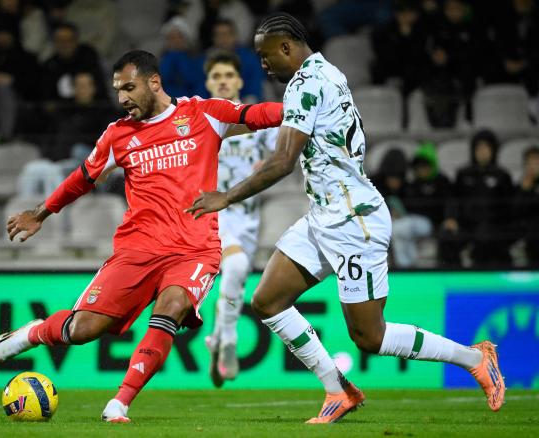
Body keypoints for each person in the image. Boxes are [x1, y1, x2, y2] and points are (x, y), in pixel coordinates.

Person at [187, 13, 505, 424]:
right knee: (267, 300)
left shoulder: (304, 84)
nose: (263, 65)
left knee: (369, 337)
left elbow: (284, 161)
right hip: (325, 215)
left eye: (267, 56)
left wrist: (225, 197)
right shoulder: (327, 70)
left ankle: (473, 357)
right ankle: (338, 390)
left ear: (286, 47)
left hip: (356, 221)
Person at [0, 50, 283, 423]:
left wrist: (304, 110)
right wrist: (40, 213)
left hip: (194, 249)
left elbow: (258, 115)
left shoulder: (203, 113)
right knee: (83, 329)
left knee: (172, 306)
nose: (122, 97)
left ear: (154, 82)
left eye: (129, 87)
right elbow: (82, 179)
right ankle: (33, 333)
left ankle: (119, 402)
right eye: (117, 90)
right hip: (137, 249)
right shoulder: (118, 135)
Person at [202, 51, 277, 386]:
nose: (222, 81)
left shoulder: (256, 119)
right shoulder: (199, 118)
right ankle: (229, 339)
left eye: (228, 75)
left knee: (235, 276)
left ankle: (216, 339)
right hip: (212, 215)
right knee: (235, 268)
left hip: (247, 217)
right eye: (216, 76)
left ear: (239, 81)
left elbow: (286, 142)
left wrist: (272, 161)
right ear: (207, 82)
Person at [439, 130, 514, 267]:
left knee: (485, 237)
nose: (482, 151)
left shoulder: (502, 175)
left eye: (486, 148)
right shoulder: (463, 174)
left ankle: (483, 279)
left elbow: (509, 206)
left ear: (493, 150)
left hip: (493, 225)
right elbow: (454, 198)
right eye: (479, 148)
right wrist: (451, 217)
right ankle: (452, 275)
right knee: (446, 236)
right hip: (466, 224)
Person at [512, 146, 539, 266]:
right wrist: (525, 191)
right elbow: (515, 213)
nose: (533, 166)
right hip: (528, 234)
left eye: (536, 162)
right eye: (529, 163)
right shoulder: (520, 187)